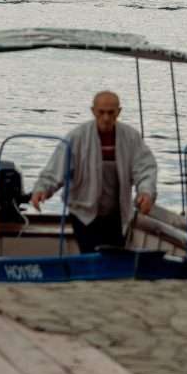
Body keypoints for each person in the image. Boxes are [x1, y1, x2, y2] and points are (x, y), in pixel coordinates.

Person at [30, 90, 157, 253]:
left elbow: (145, 168)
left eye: (111, 113)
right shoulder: (76, 137)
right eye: (101, 112)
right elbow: (56, 169)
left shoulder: (131, 137)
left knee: (115, 256)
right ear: (93, 111)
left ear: (119, 112)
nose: (106, 118)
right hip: (83, 212)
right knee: (91, 253)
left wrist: (146, 192)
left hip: (117, 214)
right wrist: (42, 189)